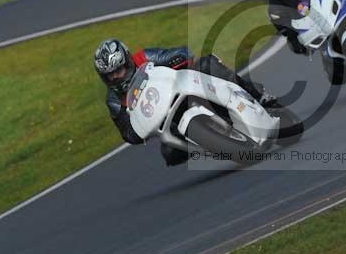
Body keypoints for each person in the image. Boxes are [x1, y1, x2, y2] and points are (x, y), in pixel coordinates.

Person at [94, 39, 276, 166]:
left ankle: (257, 94)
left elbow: (180, 53)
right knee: (170, 154)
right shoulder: (114, 101)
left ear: (127, 59)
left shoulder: (145, 57)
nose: (116, 76)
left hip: (185, 89)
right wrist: (136, 132)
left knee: (207, 64)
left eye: (120, 70)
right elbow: (127, 132)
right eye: (111, 75)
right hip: (167, 121)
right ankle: (211, 142)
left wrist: (178, 59)